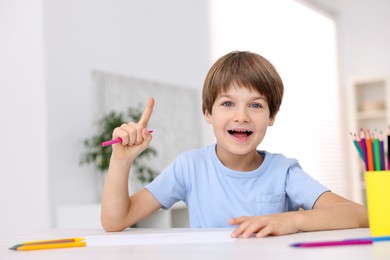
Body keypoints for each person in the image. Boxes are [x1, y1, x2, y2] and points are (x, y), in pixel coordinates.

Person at [101, 51, 368, 238]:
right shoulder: (190, 167)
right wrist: (121, 161)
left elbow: (358, 214)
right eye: (228, 103)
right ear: (208, 112)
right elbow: (115, 221)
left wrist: (291, 220)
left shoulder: (284, 172)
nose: (242, 115)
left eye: (255, 105)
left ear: (271, 116)